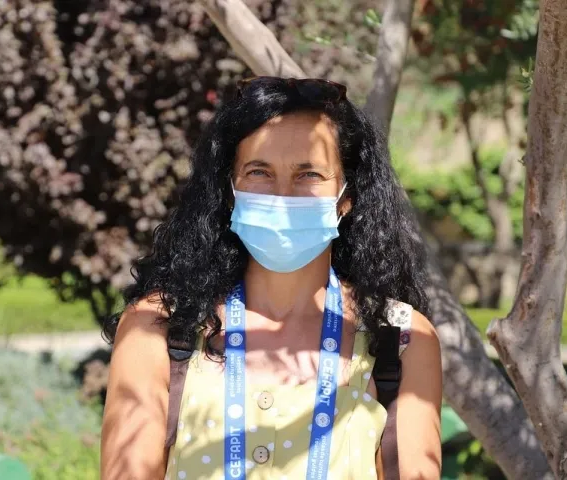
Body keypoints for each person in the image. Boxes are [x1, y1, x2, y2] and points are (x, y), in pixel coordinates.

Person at [100, 76, 442, 480]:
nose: (282, 196)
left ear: (347, 198)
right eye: (259, 172)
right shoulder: (159, 327)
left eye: (309, 175)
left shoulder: (401, 340)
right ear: (229, 190)